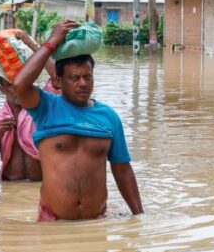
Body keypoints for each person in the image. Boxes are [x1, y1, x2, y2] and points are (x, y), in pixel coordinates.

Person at [13, 19, 144, 221]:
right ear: (58, 81)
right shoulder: (45, 107)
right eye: (74, 78)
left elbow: (123, 170)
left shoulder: (109, 117)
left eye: (87, 77)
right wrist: (51, 42)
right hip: (53, 223)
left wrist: (139, 218)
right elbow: (19, 85)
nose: (82, 84)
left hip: (96, 221)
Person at [0, 30, 59, 181]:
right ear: (2, 89)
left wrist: (33, 45)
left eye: (23, 84)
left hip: (40, 187)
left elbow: (57, 79)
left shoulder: (43, 107)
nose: (19, 89)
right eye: (12, 86)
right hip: (9, 187)